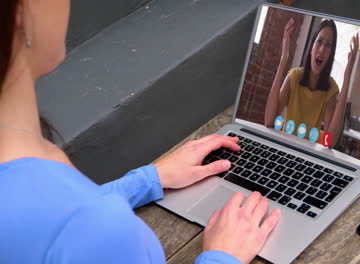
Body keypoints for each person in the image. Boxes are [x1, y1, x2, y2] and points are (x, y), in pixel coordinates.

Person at [0, 0, 281, 263]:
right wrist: (223, 257)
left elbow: (47, 219)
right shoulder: (96, 231)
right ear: (22, 11)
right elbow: (71, 227)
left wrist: (149, 179)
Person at [264, 18, 358, 148]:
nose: (321, 50)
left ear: (331, 54)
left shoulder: (331, 89)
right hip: (284, 147)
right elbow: (269, 121)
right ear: (311, 46)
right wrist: (283, 59)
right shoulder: (294, 76)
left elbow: (330, 142)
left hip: (308, 153)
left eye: (328, 45)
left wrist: (347, 78)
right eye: (319, 42)